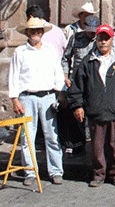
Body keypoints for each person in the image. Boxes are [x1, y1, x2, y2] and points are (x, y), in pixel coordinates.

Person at [68, 24, 115, 187]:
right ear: (97, 40)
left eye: (106, 38)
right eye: (100, 38)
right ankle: (98, 174)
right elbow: (77, 86)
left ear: (111, 39)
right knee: (96, 147)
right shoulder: (87, 62)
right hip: (95, 112)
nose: (103, 42)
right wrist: (77, 106)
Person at [8, 17, 65, 186]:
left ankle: (56, 171)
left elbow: (58, 72)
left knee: (52, 136)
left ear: (43, 32)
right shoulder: (20, 52)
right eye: (33, 31)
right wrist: (14, 99)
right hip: (27, 97)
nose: (36, 33)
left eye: (39, 30)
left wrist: (60, 93)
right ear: (27, 33)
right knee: (27, 136)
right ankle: (30, 172)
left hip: (48, 97)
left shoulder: (50, 50)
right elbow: (13, 76)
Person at [60, 14, 100, 155]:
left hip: (94, 82)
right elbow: (65, 58)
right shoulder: (76, 38)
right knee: (76, 115)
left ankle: (94, 147)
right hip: (77, 82)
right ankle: (78, 146)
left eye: (94, 31)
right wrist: (65, 76)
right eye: (89, 30)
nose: (92, 33)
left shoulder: (101, 40)